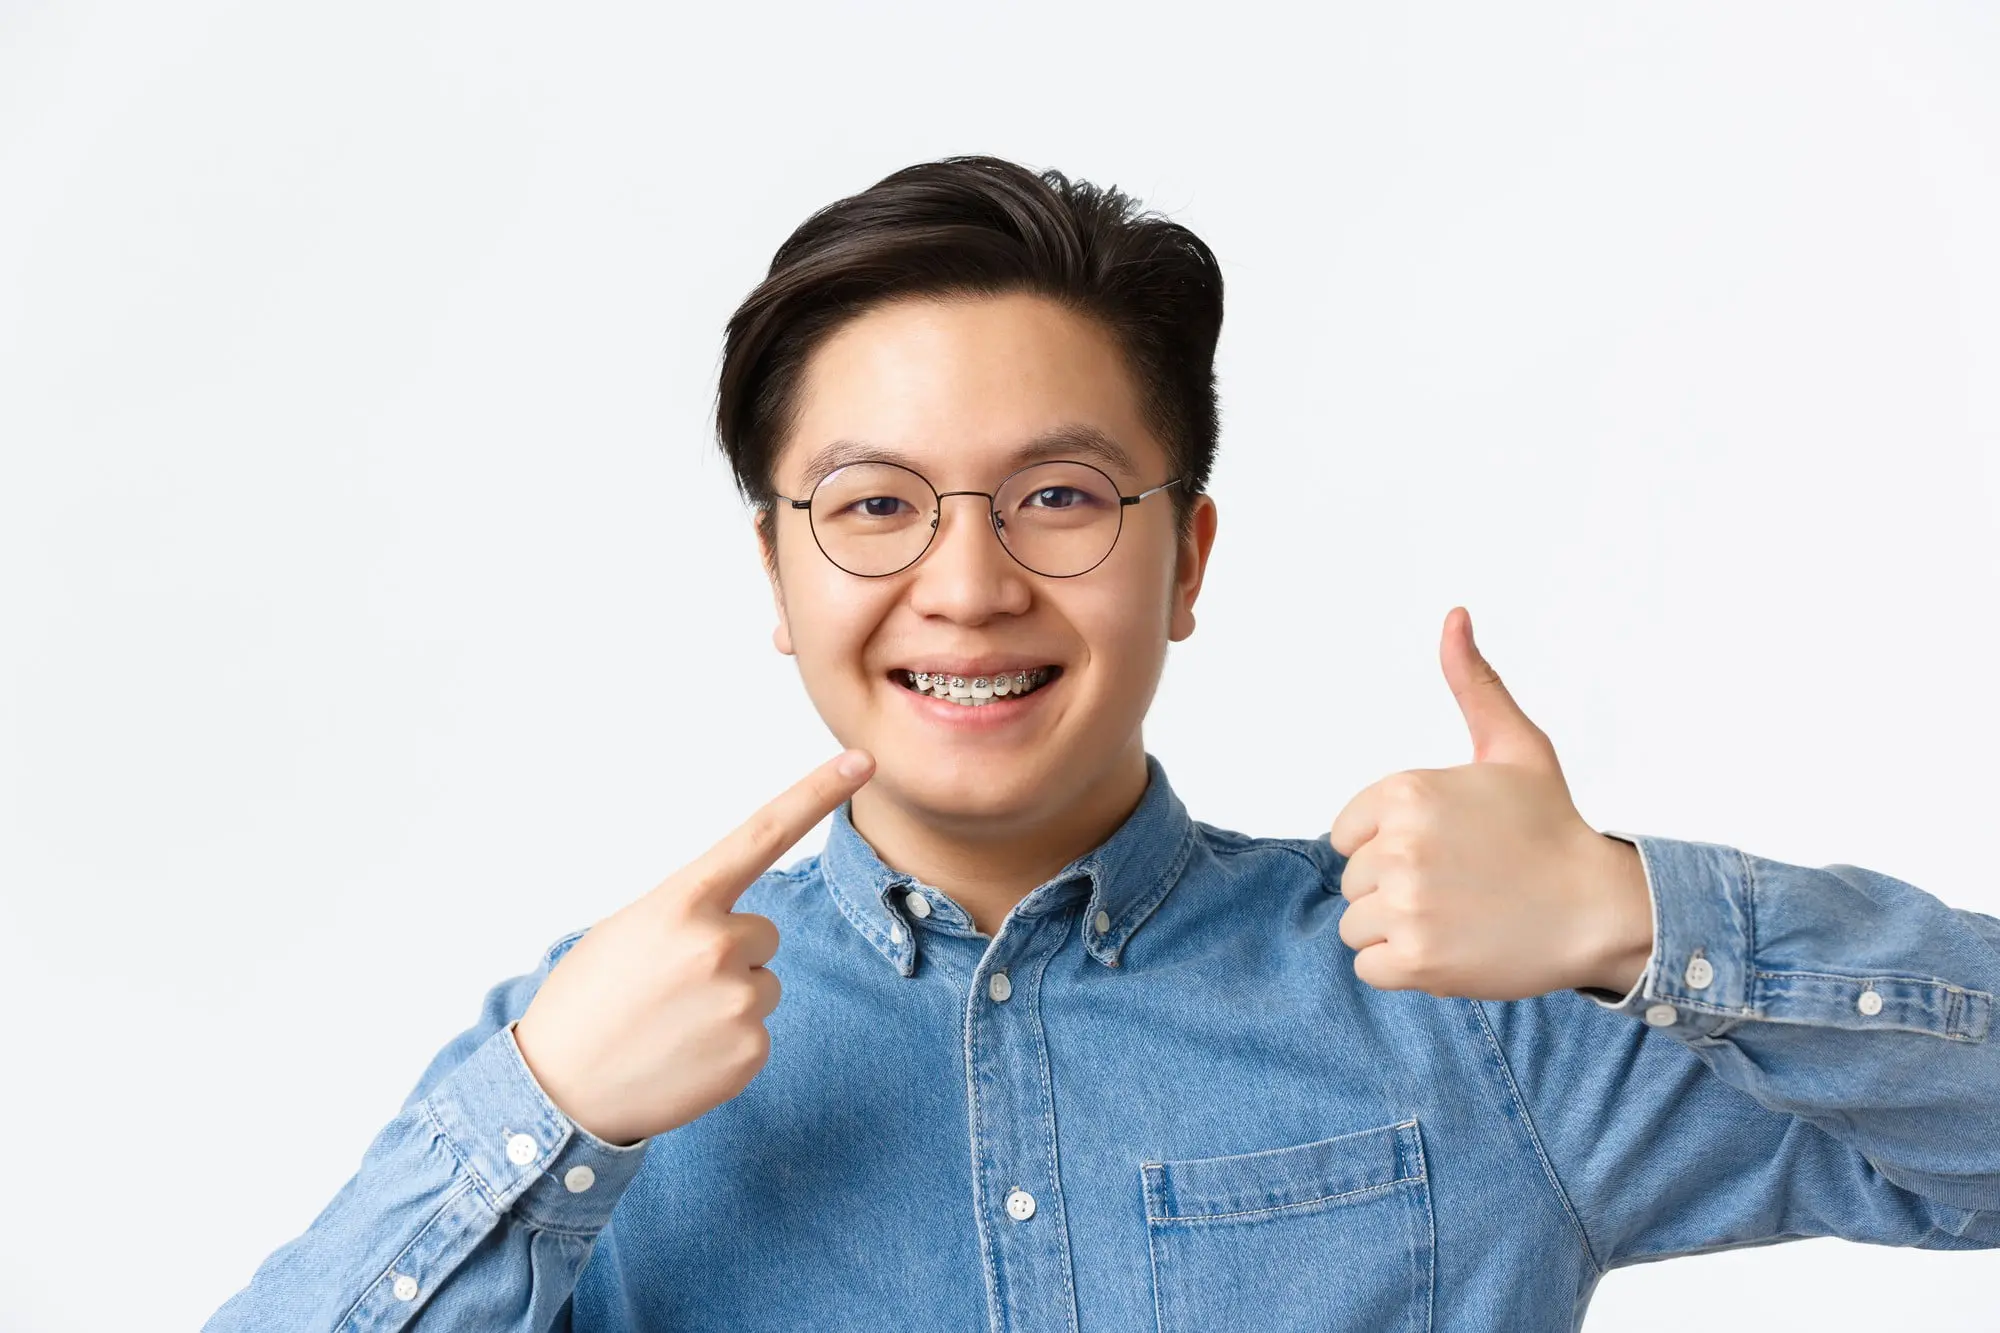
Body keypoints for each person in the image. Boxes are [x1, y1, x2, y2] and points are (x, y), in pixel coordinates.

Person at [204, 156, 2000, 1333]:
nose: (967, 587)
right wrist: (547, 1109)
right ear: (775, 567)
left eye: (1060, 495)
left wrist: (1633, 920)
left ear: (1185, 557)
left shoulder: (1471, 1007)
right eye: (873, 505)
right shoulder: (605, 1048)